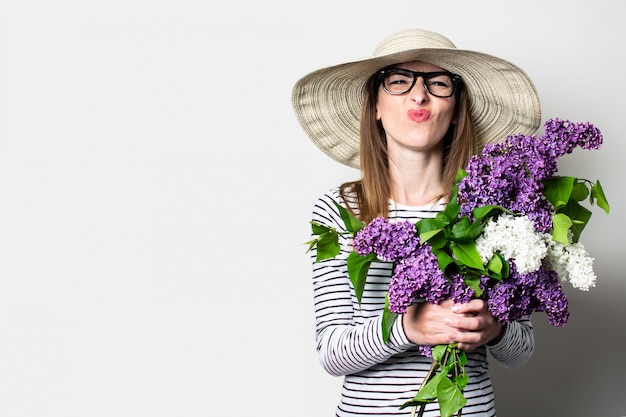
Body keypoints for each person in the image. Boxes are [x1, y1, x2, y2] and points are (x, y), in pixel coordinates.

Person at [291, 28, 541, 416]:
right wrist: (410, 327)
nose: (419, 94)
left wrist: (496, 329)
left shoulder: (496, 214)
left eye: (438, 83)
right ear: (374, 104)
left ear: (457, 109)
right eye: (398, 80)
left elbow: (521, 351)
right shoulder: (339, 212)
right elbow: (332, 353)